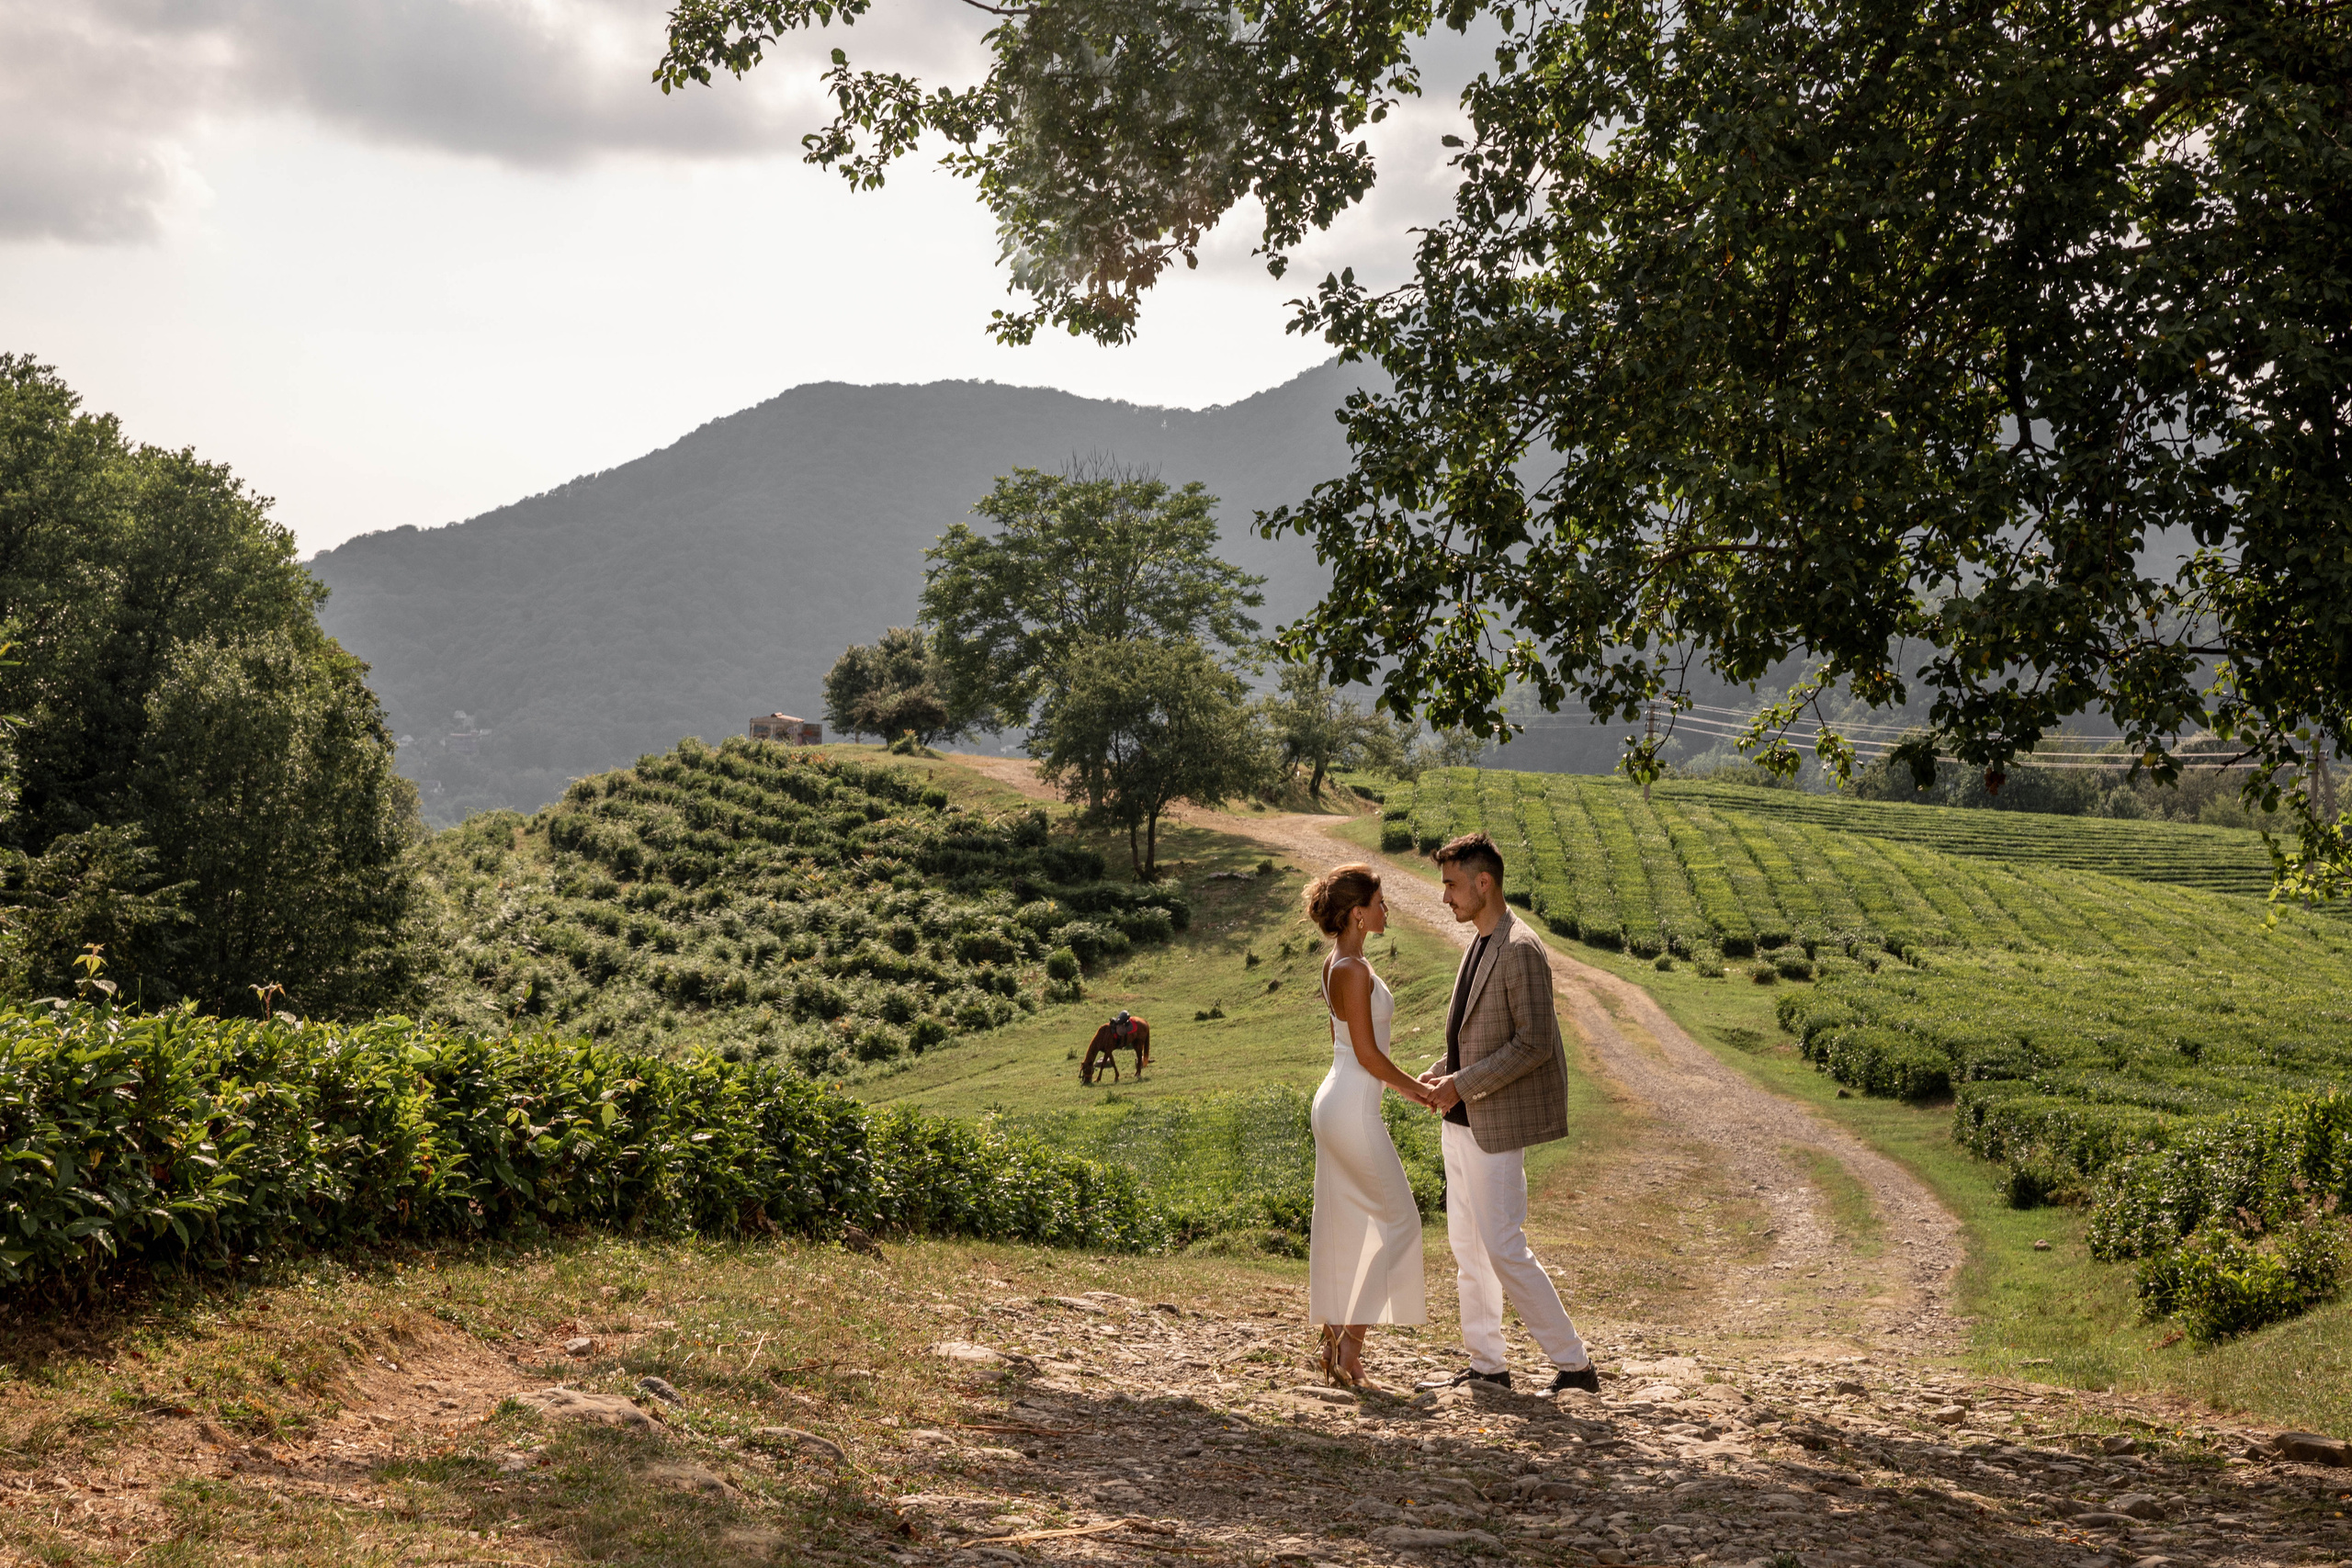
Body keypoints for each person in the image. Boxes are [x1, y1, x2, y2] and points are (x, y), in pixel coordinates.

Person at [1415, 831, 1602, 1397]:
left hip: (1493, 1124)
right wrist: (1443, 1069)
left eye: (1451, 885)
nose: (1444, 897)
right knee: (1468, 1250)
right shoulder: (1480, 941)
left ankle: (1575, 1366)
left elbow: (1534, 1043)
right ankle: (1487, 1364)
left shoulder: (1520, 948)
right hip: (1463, 1120)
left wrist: (1461, 1084)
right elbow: (1483, 1033)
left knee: (1502, 1247)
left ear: (1483, 882)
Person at [1305, 863, 1438, 1388]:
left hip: (1341, 1100)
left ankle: (1340, 1344)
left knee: (1351, 1224)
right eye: (1381, 902)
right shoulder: (1352, 971)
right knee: (1402, 1224)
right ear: (1359, 914)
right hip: (1353, 1106)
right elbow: (1367, 1056)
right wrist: (1419, 1090)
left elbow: (1359, 1052)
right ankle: (1347, 1344)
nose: (1387, 910)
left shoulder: (1341, 963)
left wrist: (1408, 1085)